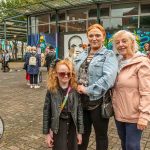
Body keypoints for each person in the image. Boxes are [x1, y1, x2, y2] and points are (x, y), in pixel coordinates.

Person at [74, 24, 118, 150]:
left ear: (103, 37)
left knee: (101, 136)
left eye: (98, 35)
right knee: (82, 134)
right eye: (91, 35)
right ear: (87, 37)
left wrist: (87, 90)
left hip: (98, 103)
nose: (94, 38)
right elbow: (74, 74)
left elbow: (108, 79)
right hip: (80, 102)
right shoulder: (82, 55)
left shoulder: (108, 55)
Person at [112, 30, 150, 150]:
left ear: (132, 42)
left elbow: (147, 91)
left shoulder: (142, 62)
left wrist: (144, 116)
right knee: (124, 144)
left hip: (134, 115)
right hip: (119, 114)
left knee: (132, 146)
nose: (120, 44)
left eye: (124, 41)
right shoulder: (116, 62)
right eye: (117, 42)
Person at [43, 59, 84, 150]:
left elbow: (79, 111)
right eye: (62, 73)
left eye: (68, 73)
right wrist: (47, 134)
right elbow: (46, 112)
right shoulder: (52, 90)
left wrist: (80, 132)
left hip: (73, 126)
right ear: (56, 74)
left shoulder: (74, 89)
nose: (65, 76)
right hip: (58, 126)